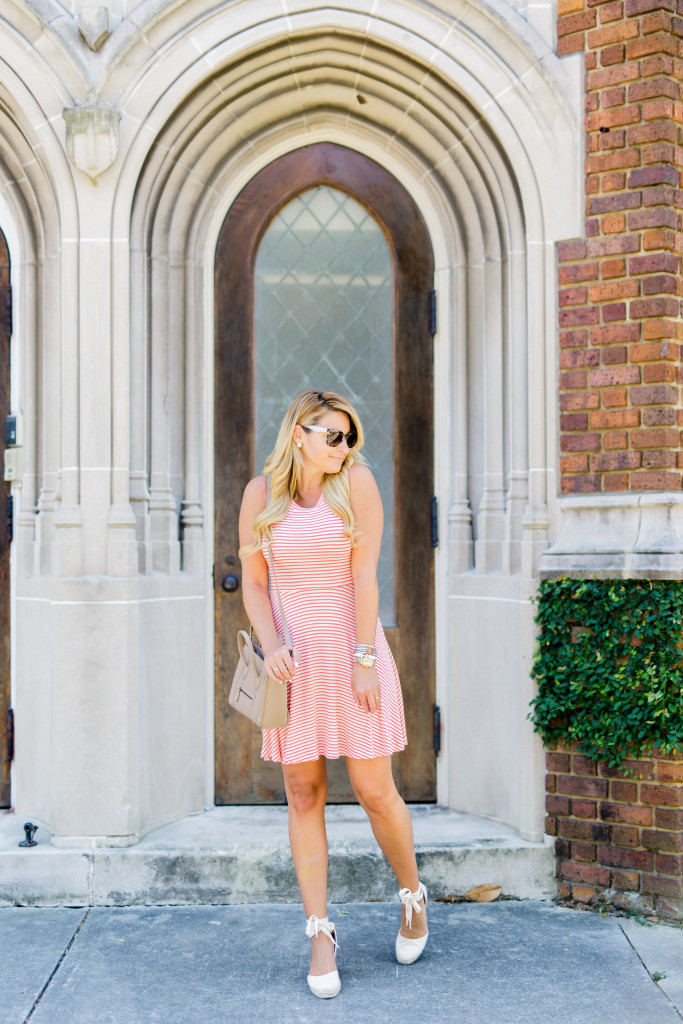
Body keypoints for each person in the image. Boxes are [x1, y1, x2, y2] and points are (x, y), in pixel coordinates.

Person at [238, 389, 428, 999]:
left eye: (350, 438)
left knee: (375, 790)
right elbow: (255, 585)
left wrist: (367, 658)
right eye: (333, 437)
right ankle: (321, 933)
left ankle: (412, 895)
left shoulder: (358, 485)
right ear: (299, 434)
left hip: (353, 657)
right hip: (294, 665)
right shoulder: (260, 495)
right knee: (302, 791)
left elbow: (366, 576)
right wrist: (270, 647)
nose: (344, 448)